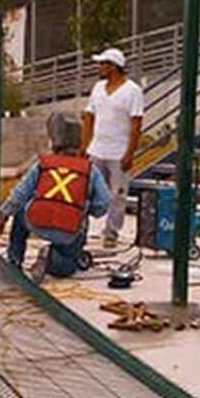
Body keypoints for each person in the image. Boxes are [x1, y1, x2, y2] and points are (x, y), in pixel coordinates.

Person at [0, 112, 111, 282]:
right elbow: (103, 204)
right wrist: (84, 207)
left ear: (54, 142)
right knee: (66, 266)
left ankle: (15, 259)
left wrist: (2, 217)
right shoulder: (90, 170)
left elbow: (20, 193)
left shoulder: (43, 163)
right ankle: (53, 259)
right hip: (69, 229)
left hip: (36, 221)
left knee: (21, 212)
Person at [81, 47, 144, 248]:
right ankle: (80, 227)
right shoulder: (98, 88)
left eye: (103, 64)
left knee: (118, 194)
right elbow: (89, 117)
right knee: (86, 191)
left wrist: (129, 153)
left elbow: (136, 125)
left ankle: (111, 232)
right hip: (97, 150)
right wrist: (85, 144)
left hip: (118, 152)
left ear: (114, 66)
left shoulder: (132, 91)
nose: (100, 68)